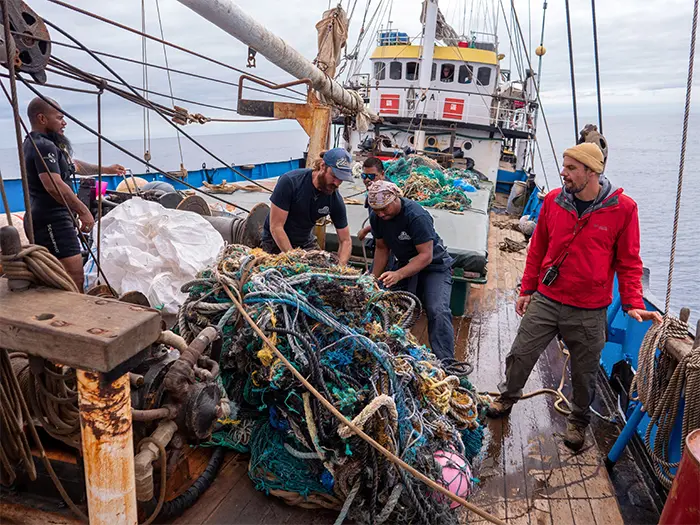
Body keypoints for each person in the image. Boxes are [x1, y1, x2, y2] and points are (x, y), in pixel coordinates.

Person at [486, 142, 662, 452]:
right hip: (548, 297)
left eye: (571, 168)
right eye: (564, 167)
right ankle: (507, 397)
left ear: (592, 172)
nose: (563, 173)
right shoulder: (554, 200)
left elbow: (629, 261)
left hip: (589, 309)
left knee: (585, 372)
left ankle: (579, 421)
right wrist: (527, 289)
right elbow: (537, 249)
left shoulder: (623, 209)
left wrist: (633, 301)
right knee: (520, 354)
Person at [23, 97, 126, 292]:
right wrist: (83, 210)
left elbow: (74, 165)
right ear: (42, 119)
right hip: (51, 221)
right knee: (72, 278)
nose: (64, 123)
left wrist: (107, 169)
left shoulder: (45, 144)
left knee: (60, 277)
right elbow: (53, 185)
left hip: (52, 218)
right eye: (59, 118)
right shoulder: (42, 146)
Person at [368, 180, 455, 361]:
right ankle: (391, 353)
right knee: (384, 302)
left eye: (384, 209)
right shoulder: (377, 216)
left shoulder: (416, 216)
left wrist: (398, 274)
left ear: (395, 199)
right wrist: (372, 279)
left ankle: (447, 362)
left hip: (434, 266)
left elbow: (426, 256)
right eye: (376, 210)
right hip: (405, 262)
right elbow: (382, 249)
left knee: (437, 309)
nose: (381, 214)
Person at [261, 148, 353, 264]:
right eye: (334, 176)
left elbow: (345, 240)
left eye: (341, 179)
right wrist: (294, 261)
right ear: (323, 166)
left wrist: (341, 268)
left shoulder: (334, 199)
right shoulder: (290, 182)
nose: (337, 183)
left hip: (305, 242)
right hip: (275, 242)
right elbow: (276, 227)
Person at [357, 156, 386, 242]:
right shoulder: (373, 189)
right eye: (364, 176)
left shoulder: (385, 194)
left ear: (382, 175)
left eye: (371, 176)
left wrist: (366, 230)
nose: (367, 180)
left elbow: (387, 222)